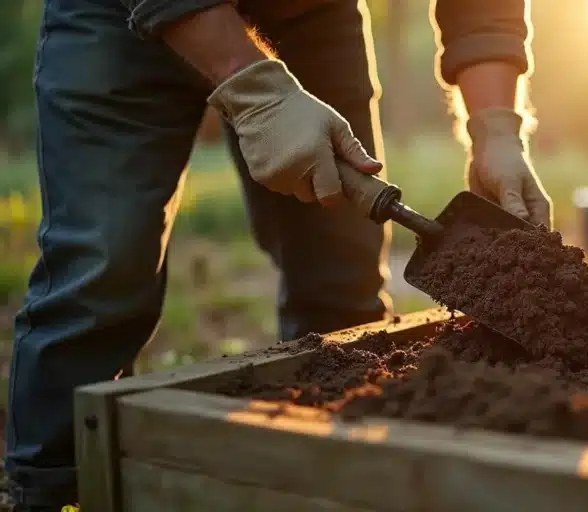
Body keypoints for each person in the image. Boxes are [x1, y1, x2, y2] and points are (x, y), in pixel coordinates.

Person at [5, 0, 551, 509]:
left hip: (307, 15)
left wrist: (496, 127)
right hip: (116, 18)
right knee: (100, 272)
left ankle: (343, 484)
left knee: (339, 284)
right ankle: (55, 489)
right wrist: (256, 92)